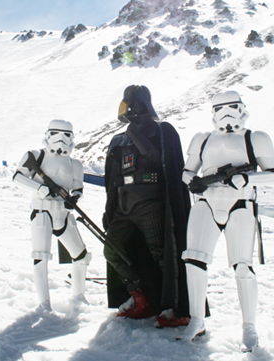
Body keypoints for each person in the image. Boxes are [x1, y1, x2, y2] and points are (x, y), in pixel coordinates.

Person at [178, 90, 274, 352]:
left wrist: (247, 179)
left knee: (243, 267)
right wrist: (193, 182)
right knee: (194, 260)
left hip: (240, 203)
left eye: (232, 107)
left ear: (242, 108)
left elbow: (273, 175)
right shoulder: (202, 139)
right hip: (206, 203)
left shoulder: (255, 138)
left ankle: (249, 326)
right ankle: (197, 320)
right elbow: (188, 170)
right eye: (219, 108)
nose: (226, 114)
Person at [102, 85, 191, 328]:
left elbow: (162, 162)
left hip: (151, 201)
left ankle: (175, 306)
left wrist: (138, 135)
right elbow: (111, 179)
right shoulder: (118, 139)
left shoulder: (162, 131)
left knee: (163, 254)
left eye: (133, 103)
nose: (129, 108)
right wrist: (109, 210)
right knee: (112, 251)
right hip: (122, 204)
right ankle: (141, 298)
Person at [13, 119, 92, 311]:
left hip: (63, 214)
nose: (62, 140)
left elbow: (78, 187)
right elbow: (18, 177)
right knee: (41, 257)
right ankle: (44, 303)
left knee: (81, 256)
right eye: (57, 134)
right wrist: (40, 189)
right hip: (42, 211)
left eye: (67, 135)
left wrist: (74, 198)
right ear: (48, 134)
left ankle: (78, 296)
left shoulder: (75, 164)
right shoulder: (36, 156)